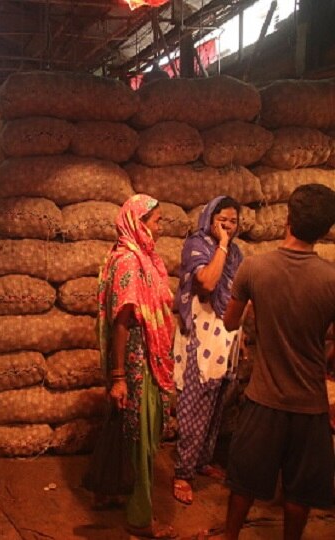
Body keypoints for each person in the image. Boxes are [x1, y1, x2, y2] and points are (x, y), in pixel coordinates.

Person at [220, 184, 335, 540]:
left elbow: (230, 322)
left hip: (263, 399)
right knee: (299, 493)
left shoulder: (254, 268)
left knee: (244, 484)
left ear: (287, 219)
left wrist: (258, 310)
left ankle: (230, 537)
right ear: (326, 230)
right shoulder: (332, 278)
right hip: (310, 404)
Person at [96, 194, 177, 539]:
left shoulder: (139, 257)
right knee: (142, 436)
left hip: (142, 360)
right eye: (156, 221)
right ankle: (140, 517)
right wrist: (119, 377)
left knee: (127, 429)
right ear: (138, 222)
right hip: (136, 363)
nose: (159, 229)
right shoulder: (130, 261)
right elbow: (122, 321)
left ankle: (110, 489)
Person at [172, 196, 243, 505]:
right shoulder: (196, 245)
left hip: (226, 335)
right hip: (200, 336)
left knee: (216, 404)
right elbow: (208, 284)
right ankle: (182, 473)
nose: (228, 226)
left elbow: (240, 296)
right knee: (194, 403)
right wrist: (223, 245)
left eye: (233, 221)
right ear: (209, 218)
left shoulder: (237, 253)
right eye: (223, 220)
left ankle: (202, 461)